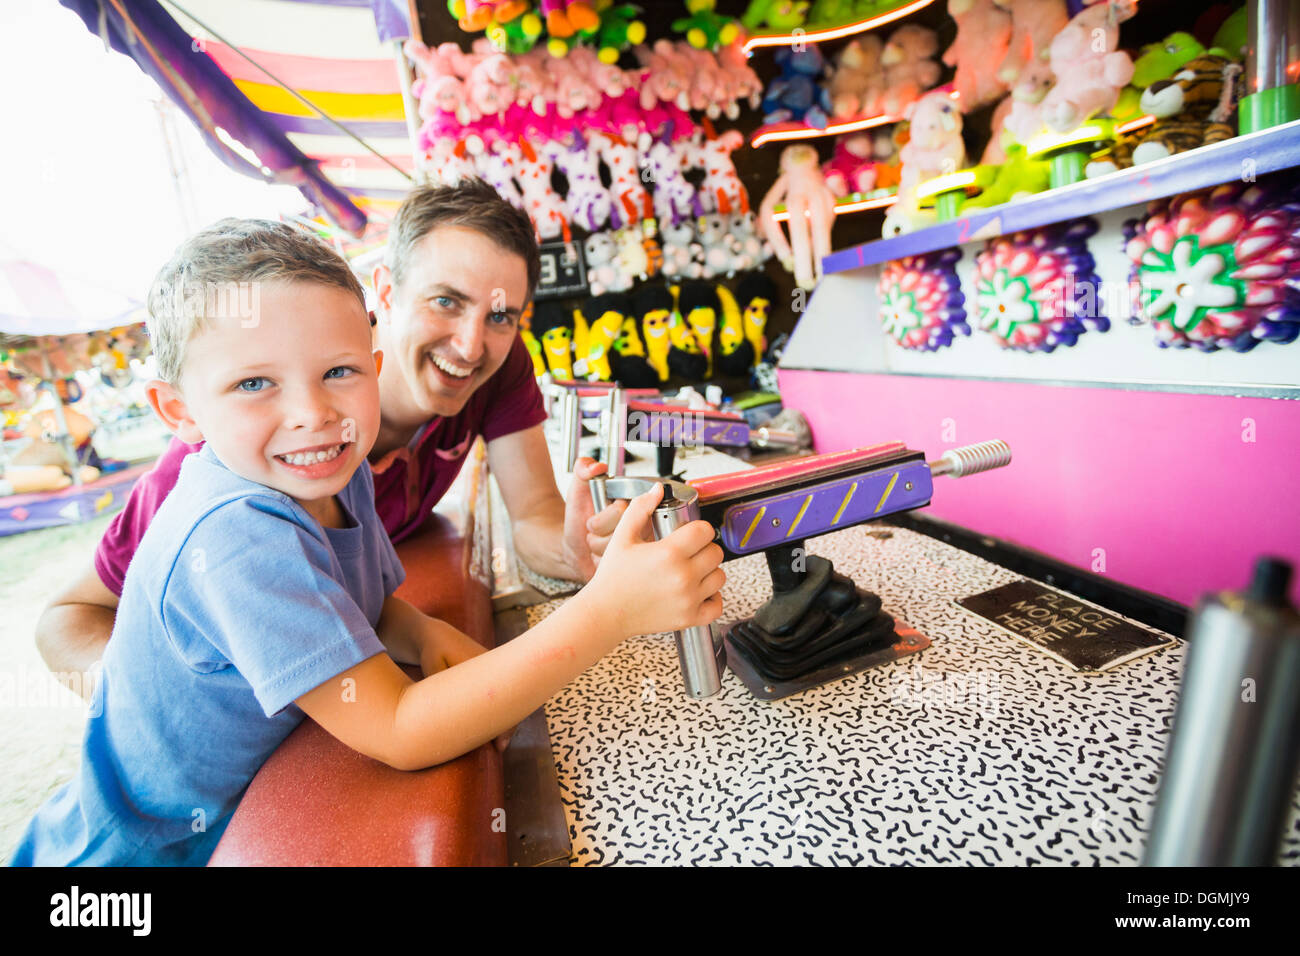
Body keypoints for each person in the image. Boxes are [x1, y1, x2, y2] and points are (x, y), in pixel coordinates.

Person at [10, 219, 724, 865]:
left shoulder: (332, 467)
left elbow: (374, 606)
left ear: (372, 370)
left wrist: (432, 638)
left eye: (338, 372)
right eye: (255, 382)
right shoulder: (234, 536)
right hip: (142, 855)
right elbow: (401, 728)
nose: (311, 414)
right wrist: (608, 612)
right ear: (178, 410)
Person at [36, 179, 628, 697]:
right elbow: (69, 616)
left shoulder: (500, 366)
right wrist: (158, 707)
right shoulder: (217, 465)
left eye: (501, 316)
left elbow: (535, 516)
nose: (472, 345)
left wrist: (577, 553)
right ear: (387, 294)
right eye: (445, 301)